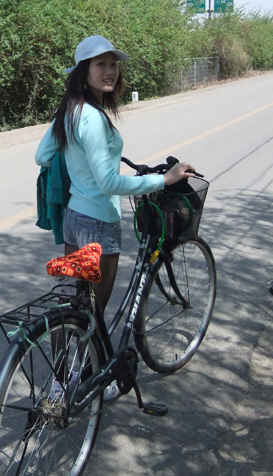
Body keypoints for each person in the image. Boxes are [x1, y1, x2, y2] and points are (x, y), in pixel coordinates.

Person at [35, 35, 195, 314]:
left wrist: (80, 160)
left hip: (74, 216)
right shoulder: (93, 118)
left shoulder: (69, 108)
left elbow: (42, 156)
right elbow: (108, 183)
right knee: (94, 312)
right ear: (84, 71)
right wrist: (164, 179)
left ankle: (63, 345)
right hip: (98, 221)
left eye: (113, 64)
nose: (110, 71)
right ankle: (92, 346)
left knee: (75, 307)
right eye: (101, 64)